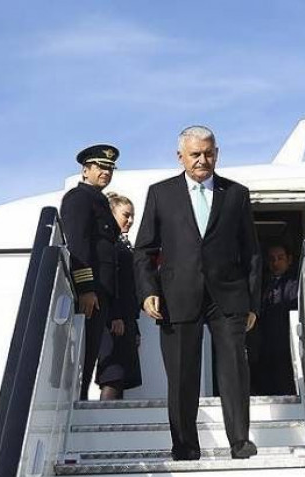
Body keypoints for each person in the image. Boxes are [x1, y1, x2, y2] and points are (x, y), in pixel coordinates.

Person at [134, 125, 262, 460]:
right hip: (177, 296)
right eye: (195, 154)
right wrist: (147, 291)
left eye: (208, 153)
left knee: (234, 370)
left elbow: (251, 251)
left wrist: (253, 302)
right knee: (182, 374)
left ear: (217, 154)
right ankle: (185, 445)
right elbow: (144, 249)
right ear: (181, 157)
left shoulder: (236, 194)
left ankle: (240, 441)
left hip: (228, 296)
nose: (202, 160)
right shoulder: (161, 193)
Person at [60, 144, 120, 401]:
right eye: (100, 167)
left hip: (102, 292)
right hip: (90, 293)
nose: (106, 172)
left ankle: (81, 400)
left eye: (110, 168)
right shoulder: (79, 198)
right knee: (82, 357)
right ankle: (76, 403)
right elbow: (78, 246)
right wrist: (85, 288)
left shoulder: (99, 201)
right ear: (85, 170)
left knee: (91, 353)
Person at [96, 192, 143, 400]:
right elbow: (109, 281)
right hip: (114, 320)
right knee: (112, 375)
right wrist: (115, 315)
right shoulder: (109, 244)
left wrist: (134, 325)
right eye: (126, 215)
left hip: (126, 319)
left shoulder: (123, 244)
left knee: (121, 376)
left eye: (132, 216)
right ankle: (103, 417)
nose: (130, 220)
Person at [254, 244, 298, 396]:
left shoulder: (295, 284)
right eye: (272, 259)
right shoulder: (262, 284)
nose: (276, 263)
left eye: (280, 258)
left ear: (289, 260)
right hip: (265, 347)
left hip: (286, 346)